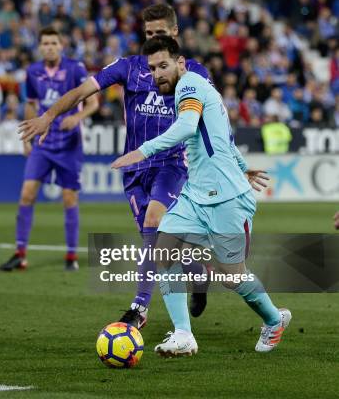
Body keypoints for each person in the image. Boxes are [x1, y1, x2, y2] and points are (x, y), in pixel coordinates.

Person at [19, 4, 210, 328]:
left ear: (174, 33)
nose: (153, 38)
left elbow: (212, 119)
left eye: (160, 33)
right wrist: (49, 116)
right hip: (134, 171)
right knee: (161, 243)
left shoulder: (194, 72)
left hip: (172, 164)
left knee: (155, 223)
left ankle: (139, 308)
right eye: (149, 33)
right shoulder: (129, 67)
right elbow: (83, 90)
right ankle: (196, 272)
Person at [111, 35, 289, 356]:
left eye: (163, 65)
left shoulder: (189, 85)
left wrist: (143, 150)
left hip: (226, 199)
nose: (157, 74)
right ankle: (183, 334)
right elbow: (224, 137)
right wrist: (243, 166)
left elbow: (187, 126)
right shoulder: (198, 88)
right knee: (163, 252)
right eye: (152, 69)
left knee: (231, 277)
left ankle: (274, 319)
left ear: (180, 63)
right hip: (196, 195)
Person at [0, 26, 98, 272]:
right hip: (42, 144)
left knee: (69, 198)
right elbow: (31, 105)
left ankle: (71, 256)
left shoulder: (75, 68)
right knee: (27, 194)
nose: (50, 47)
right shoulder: (32, 71)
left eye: (54, 42)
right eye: (45, 43)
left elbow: (93, 102)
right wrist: (26, 139)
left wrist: (78, 117)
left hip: (69, 144)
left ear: (61, 45)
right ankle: (20, 254)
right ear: (40, 47)